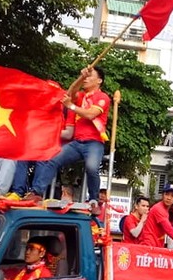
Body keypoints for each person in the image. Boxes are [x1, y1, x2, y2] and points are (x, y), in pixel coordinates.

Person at [25, 66, 110, 212]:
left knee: (91, 167)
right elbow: (70, 93)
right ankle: (36, 193)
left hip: (94, 143)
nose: (87, 79)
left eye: (90, 77)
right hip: (77, 143)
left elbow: (90, 114)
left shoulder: (103, 97)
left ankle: (94, 200)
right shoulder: (82, 96)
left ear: (99, 80)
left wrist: (71, 106)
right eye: (86, 77)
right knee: (53, 159)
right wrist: (81, 77)